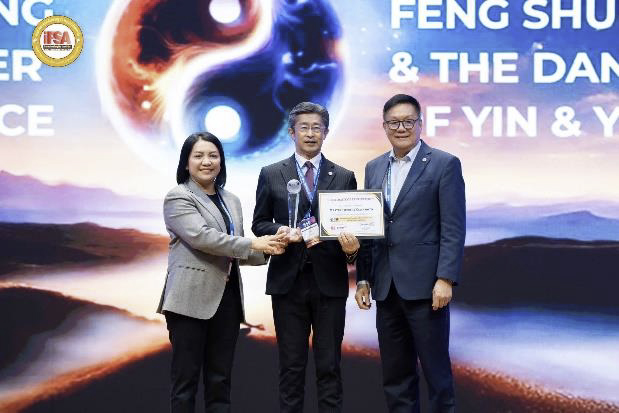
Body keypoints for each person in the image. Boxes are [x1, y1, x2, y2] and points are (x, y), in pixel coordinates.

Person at [157, 132, 286, 413]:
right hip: (188, 302)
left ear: (221, 161)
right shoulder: (178, 196)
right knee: (185, 384)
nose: (207, 161)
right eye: (199, 156)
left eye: (213, 156)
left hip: (227, 301)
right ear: (186, 162)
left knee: (220, 382)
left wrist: (271, 248)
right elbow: (204, 238)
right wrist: (254, 243)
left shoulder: (231, 200)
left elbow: (233, 248)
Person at [355, 94, 466, 413]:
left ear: (420, 124)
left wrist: (445, 278)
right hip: (386, 287)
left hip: (427, 288)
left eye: (407, 121)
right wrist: (363, 279)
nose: (401, 128)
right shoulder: (374, 167)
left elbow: (453, 227)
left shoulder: (444, 164)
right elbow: (370, 226)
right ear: (384, 126)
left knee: (436, 374)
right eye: (394, 122)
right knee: (395, 376)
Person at [252, 102, 360, 412]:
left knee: (329, 367)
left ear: (326, 132)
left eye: (317, 128)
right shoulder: (271, 173)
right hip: (287, 282)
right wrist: (281, 230)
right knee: (291, 367)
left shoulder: (344, 176)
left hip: (330, 283)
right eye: (304, 127)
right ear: (292, 132)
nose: (311, 133)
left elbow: (353, 228)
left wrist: (352, 249)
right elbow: (259, 223)